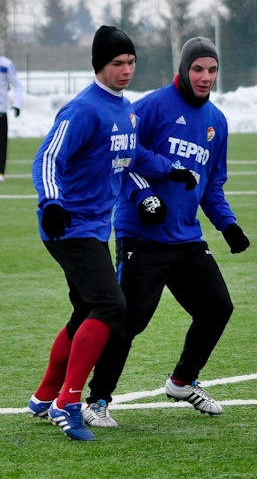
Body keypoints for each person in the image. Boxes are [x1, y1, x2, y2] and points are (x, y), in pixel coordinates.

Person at [81, 37, 250, 428]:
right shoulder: (151, 107)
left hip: (187, 239)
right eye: (198, 69)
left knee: (217, 308)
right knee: (130, 317)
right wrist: (143, 198)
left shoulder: (216, 122)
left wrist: (228, 224)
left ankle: (182, 381)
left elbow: (211, 185)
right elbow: (123, 158)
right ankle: (97, 400)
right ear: (183, 68)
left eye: (211, 70)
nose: (205, 77)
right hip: (142, 236)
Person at [25, 26, 178, 441]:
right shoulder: (82, 110)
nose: (126, 70)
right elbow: (47, 159)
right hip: (68, 226)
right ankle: (68, 403)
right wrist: (52, 202)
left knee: (86, 310)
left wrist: (165, 172)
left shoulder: (124, 110)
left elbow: (130, 157)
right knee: (112, 305)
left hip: (94, 227)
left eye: (130, 62)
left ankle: (44, 396)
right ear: (99, 66)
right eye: (117, 63)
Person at [0, 51, 24, 182]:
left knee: (1, 143)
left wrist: (17, 104)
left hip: (1, 112)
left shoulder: (5, 64)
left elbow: (17, 85)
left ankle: (0, 172)